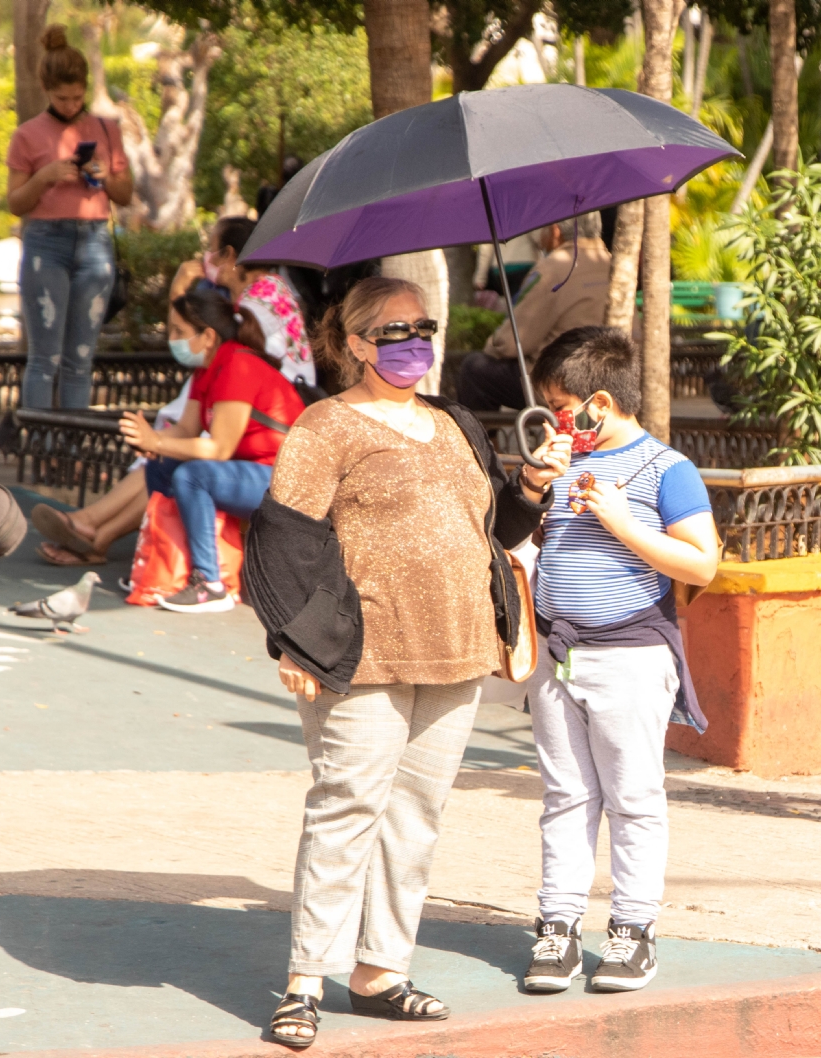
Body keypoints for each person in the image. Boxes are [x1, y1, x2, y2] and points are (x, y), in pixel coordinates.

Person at [247, 276, 569, 1048]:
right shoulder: (326, 428)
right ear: (355, 343)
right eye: (394, 331)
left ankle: (380, 972)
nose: (414, 343)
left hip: (457, 645)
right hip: (362, 653)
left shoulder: (454, 420)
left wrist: (528, 483)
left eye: (423, 327)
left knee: (415, 818)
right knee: (346, 809)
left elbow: (490, 518)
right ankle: (304, 982)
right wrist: (294, 642)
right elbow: (284, 540)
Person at [517, 328, 719, 995]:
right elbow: (520, 538)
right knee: (565, 795)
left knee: (632, 797)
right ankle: (559, 925)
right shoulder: (564, 460)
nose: (557, 420)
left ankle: (632, 928)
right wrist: (533, 482)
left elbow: (703, 563)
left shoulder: (667, 469)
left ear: (599, 402)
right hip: (559, 655)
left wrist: (624, 524)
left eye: (563, 406)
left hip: (630, 655)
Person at [118, 286, 303, 613]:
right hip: (249, 473)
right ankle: (165, 563)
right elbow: (186, 429)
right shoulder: (207, 369)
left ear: (207, 336)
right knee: (164, 464)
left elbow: (219, 449)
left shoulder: (237, 366)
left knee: (193, 475)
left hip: (286, 481)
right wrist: (150, 441)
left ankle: (209, 583)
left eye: (179, 331)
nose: (172, 338)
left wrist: (157, 441)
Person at [6, 25, 133, 409]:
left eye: (77, 97)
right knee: (45, 357)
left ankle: (72, 448)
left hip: (95, 240)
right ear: (47, 90)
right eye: (62, 98)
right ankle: (41, 445)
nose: (70, 104)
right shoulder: (27, 135)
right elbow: (15, 202)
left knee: (81, 358)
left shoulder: (106, 130)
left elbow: (126, 194)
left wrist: (104, 176)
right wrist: (45, 178)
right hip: (47, 239)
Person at [457, 213, 611, 411]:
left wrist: (492, 345)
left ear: (555, 230)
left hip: (562, 381)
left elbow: (510, 343)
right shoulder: (611, 261)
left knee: (474, 369)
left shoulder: (554, 268)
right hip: (608, 374)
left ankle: (484, 442)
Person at [174, 216, 317, 387]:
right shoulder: (271, 285)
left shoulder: (256, 303)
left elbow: (203, 352)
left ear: (229, 254)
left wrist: (176, 291)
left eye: (211, 249)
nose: (207, 259)